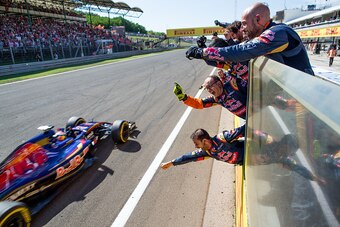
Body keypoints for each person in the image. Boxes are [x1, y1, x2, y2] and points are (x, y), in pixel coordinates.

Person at [186, 2, 314, 76]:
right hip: (290, 92)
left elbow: (242, 51)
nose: (242, 29)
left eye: (245, 24)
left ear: (258, 19)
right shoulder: (264, 34)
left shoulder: (278, 32)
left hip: (303, 96)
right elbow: (232, 50)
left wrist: (202, 52)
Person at [160, 129, 325, 184]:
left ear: (204, 140)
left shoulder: (223, 138)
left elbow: (245, 128)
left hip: (248, 161)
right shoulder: (208, 151)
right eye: (286, 149)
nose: (195, 146)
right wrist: (172, 163)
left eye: (197, 143)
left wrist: (315, 178)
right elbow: (189, 157)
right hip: (245, 162)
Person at [174, 75, 248, 120]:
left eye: (210, 87)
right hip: (250, 120)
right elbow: (199, 104)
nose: (209, 90)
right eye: (207, 88)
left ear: (218, 83)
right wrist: (183, 97)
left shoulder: (233, 85)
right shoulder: (216, 99)